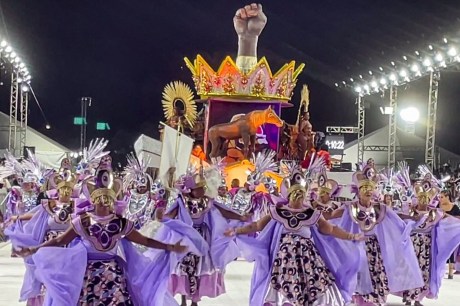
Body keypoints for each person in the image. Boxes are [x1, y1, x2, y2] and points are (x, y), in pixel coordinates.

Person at [225, 173, 364, 306]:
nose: (298, 199)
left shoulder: (312, 214)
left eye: (300, 195)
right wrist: (237, 230)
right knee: (280, 290)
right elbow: (256, 225)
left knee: (311, 289)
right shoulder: (278, 212)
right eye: (295, 195)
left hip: (308, 261)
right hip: (282, 261)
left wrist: (351, 236)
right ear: (289, 195)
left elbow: (332, 229)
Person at [330, 164, 423, 306]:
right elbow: (332, 215)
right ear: (358, 191)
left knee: (377, 275)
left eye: (370, 189)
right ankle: (360, 301)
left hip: (374, 248)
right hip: (356, 247)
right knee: (359, 277)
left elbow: (397, 217)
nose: (368, 191)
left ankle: (374, 301)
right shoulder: (350, 206)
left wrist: (413, 219)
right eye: (364, 188)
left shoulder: (380, 208)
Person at [401, 184, 460, 305]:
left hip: (426, 248)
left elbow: (446, 217)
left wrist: (455, 220)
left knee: (424, 272)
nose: (423, 202)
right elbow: (400, 217)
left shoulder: (434, 213)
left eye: (425, 199)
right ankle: (408, 296)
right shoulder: (410, 210)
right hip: (412, 246)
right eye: (421, 199)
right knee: (410, 271)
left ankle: (418, 299)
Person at [439, 190, 460, 278]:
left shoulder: (454, 207)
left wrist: (448, 216)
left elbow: (459, 218)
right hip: (441, 231)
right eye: (439, 197)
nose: (440, 199)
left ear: (447, 197)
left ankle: (451, 271)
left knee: (450, 250)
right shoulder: (438, 206)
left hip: (451, 232)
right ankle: (440, 269)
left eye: (442, 197)